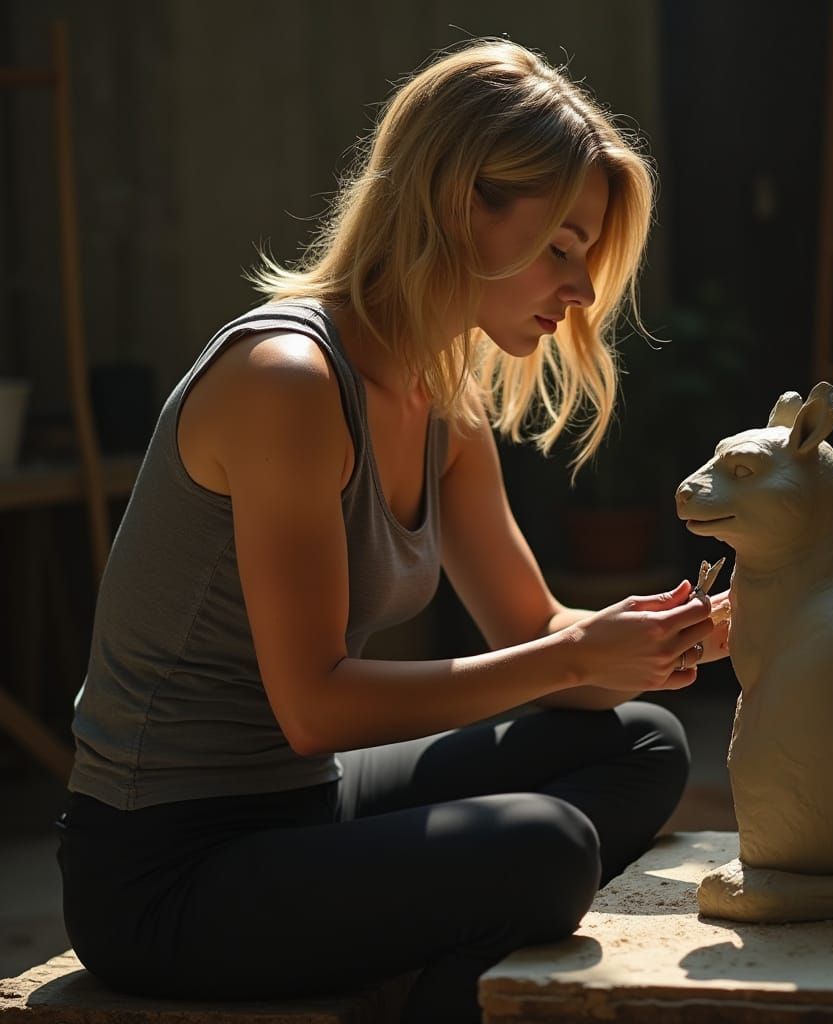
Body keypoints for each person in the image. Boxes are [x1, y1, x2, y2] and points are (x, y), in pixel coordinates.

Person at [56, 38, 729, 1024]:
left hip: (304, 802)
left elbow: (532, 631)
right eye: (562, 248)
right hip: (165, 868)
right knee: (544, 848)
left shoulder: (444, 403)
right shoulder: (286, 381)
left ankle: (437, 953)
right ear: (461, 209)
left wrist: (677, 636)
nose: (583, 291)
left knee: (643, 743)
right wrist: (576, 653)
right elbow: (315, 709)